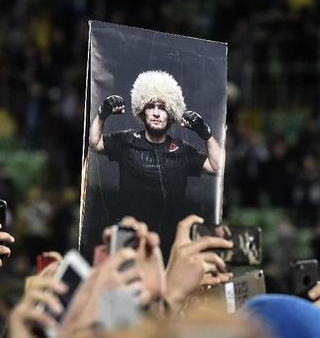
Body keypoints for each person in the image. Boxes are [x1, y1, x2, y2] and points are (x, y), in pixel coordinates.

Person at [89, 70, 224, 259]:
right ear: (142, 111)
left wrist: (206, 133)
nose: (156, 113)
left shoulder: (181, 150)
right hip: (129, 240)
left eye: (162, 108)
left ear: (171, 113)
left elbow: (217, 166)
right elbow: (94, 142)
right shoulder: (127, 140)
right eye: (151, 106)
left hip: (167, 245)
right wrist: (102, 115)